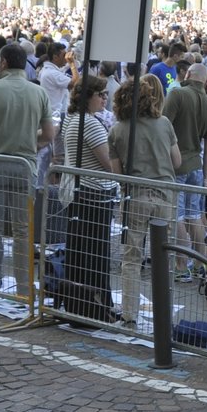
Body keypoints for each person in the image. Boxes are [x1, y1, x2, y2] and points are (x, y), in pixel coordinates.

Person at [0, 43, 55, 295]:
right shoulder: (38, 92)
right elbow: (49, 134)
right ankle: (25, 288)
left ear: (3, 62)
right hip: (25, 165)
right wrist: (31, 143)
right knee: (22, 230)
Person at [109, 75, 180, 324]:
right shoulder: (164, 124)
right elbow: (177, 161)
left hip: (135, 194)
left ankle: (129, 313)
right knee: (165, 257)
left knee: (131, 257)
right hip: (164, 193)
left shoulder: (117, 130)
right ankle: (164, 313)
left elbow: (117, 174)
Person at [55, 74, 120, 322]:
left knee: (82, 254)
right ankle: (97, 307)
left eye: (106, 94)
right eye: (100, 94)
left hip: (82, 193)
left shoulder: (74, 118)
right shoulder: (89, 123)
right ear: (87, 97)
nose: (105, 98)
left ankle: (82, 306)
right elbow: (109, 163)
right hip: (93, 195)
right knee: (95, 256)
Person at [167, 63, 207, 278]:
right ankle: (200, 264)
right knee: (194, 214)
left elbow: (163, 127)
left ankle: (182, 266)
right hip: (197, 166)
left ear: (188, 74)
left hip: (175, 163)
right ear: (206, 81)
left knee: (177, 215)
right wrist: (206, 176)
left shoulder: (177, 94)